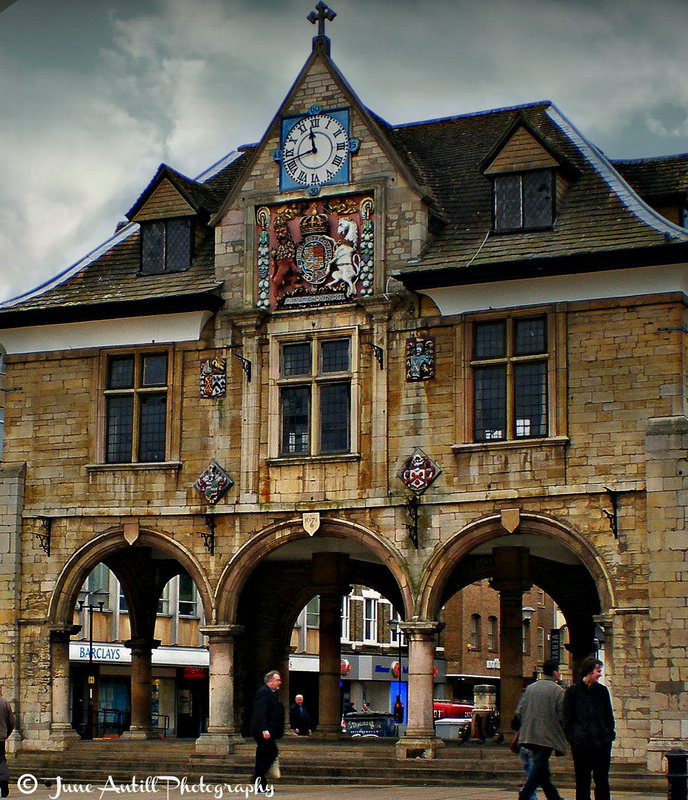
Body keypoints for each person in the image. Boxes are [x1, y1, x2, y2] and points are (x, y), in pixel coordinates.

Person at [512, 659, 567, 800]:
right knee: (539, 768)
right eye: (558, 670)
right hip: (547, 737)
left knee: (542, 769)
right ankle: (525, 795)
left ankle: (554, 797)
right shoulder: (558, 691)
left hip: (529, 734)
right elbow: (563, 716)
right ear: (555, 672)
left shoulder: (530, 688)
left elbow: (519, 712)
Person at [563, 656, 616, 800]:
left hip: (601, 743)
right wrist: (573, 739)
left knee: (602, 780)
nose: (600, 674)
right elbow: (567, 719)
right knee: (582, 781)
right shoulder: (573, 692)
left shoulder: (602, 691)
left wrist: (609, 735)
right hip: (581, 744)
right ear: (589, 671)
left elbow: (608, 716)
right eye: (598, 671)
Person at [250, 670, 284, 793]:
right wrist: (264, 729)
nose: (279, 682)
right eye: (277, 680)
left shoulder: (270, 692)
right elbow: (261, 711)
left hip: (267, 731)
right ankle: (257, 776)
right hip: (263, 731)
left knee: (262, 755)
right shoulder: (264, 692)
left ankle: (260, 784)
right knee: (271, 753)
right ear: (270, 681)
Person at [0, 686, 15, 798]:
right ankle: (4, 781)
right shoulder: (4, 703)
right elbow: (11, 721)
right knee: (1, 760)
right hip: (0, 737)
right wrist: (6, 733)